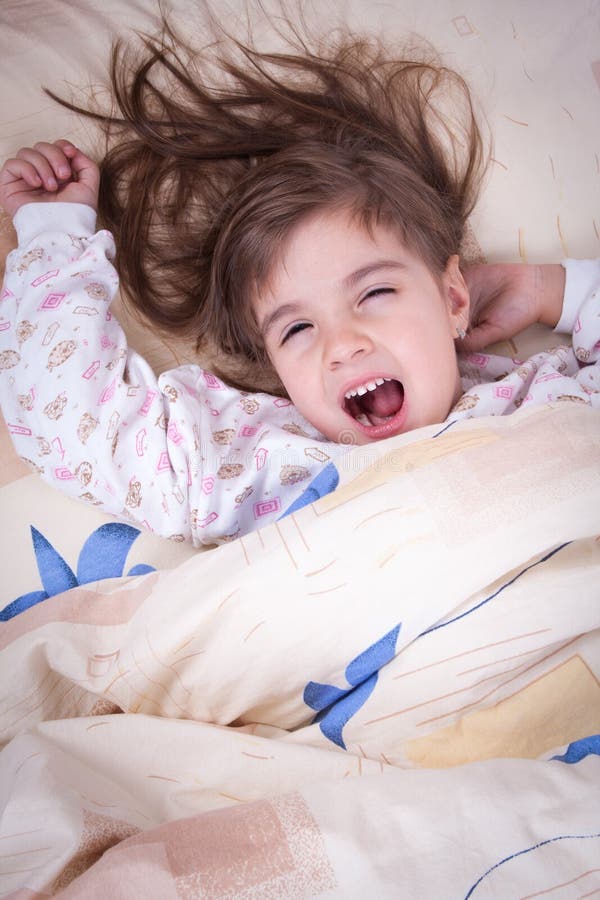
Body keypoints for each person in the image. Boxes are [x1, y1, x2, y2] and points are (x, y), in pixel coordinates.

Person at [0, 23, 598, 547]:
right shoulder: (251, 465)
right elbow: (79, 432)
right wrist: (54, 234)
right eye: (297, 329)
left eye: (374, 293)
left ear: (453, 298)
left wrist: (553, 289)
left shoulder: (541, 401)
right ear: (274, 363)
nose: (342, 344)